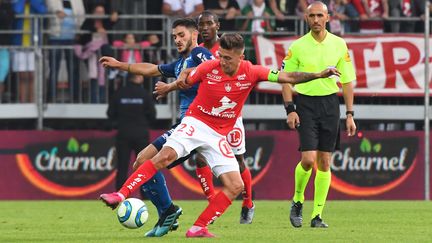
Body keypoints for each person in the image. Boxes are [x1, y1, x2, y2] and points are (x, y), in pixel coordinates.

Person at [100, 33, 340, 238]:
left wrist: (319, 74)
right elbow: (185, 80)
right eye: (220, 56)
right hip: (195, 123)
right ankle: (120, 194)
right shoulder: (209, 67)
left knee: (235, 186)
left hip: (218, 134)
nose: (222, 62)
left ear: (241, 57)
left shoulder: (252, 71)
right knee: (164, 156)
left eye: (227, 58)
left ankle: (198, 227)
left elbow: (288, 77)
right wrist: (176, 82)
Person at [98, 18, 214, 237]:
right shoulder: (181, 62)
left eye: (181, 35)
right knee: (141, 161)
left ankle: (169, 211)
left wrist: (169, 87)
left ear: (194, 34)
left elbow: (202, 72)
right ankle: (168, 211)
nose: (177, 40)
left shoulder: (200, 54)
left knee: (150, 162)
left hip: (198, 124)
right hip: (184, 125)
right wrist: (120, 65)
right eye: (174, 37)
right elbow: (152, 69)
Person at [280, 1, 356, 228]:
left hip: (330, 105)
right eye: (311, 16)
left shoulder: (339, 44)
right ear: (306, 18)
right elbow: (285, 78)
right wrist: (290, 109)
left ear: (328, 18)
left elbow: (347, 81)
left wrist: (350, 113)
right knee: (308, 159)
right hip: (305, 105)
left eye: (319, 16)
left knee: (324, 162)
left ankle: (317, 216)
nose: (315, 20)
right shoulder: (298, 46)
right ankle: (297, 199)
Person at [197, 10, 255, 224]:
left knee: (238, 160)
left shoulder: (228, 47)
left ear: (217, 26)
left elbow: (244, 72)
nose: (204, 28)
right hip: (206, 116)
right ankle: (212, 201)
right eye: (201, 24)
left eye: (208, 23)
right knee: (200, 157)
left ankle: (248, 202)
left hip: (230, 113)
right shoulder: (197, 51)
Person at [107, 74, 156, 192]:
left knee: (122, 166)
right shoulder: (144, 94)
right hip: (141, 134)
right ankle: (146, 194)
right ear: (138, 78)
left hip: (123, 133)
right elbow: (153, 115)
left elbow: (110, 113)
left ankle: (119, 194)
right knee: (144, 166)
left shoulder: (119, 93)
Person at [46, 0, 85, 103]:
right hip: (55, 37)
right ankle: (51, 98)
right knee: (54, 69)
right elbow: (49, 8)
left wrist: (79, 32)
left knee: (73, 69)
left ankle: (75, 98)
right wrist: (56, 11)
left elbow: (82, 15)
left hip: (72, 38)